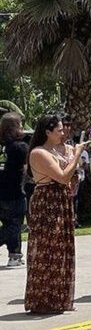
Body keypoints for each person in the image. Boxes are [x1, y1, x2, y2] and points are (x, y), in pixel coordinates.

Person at [25, 114, 86, 313]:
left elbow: (72, 178)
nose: (63, 133)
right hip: (47, 203)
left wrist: (71, 156)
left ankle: (60, 298)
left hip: (62, 200)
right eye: (59, 130)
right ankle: (43, 299)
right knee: (47, 250)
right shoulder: (38, 153)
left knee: (63, 250)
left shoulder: (59, 151)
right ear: (47, 132)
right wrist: (77, 155)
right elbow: (62, 177)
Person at [0, 112, 28, 267]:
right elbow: (27, 168)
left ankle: (15, 255)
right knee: (15, 224)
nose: (23, 128)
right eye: (20, 125)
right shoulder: (20, 147)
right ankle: (15, 254)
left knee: (9, 223)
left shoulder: (4, 147)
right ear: (14, 128)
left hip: (1, 194)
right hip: (14, 193)